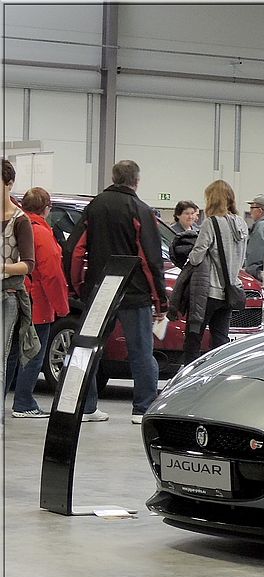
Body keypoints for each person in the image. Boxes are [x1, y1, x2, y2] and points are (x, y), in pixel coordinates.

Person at [71, 159, 168, 424]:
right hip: (134, 293)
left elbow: (75, 251)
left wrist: (81, 287)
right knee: (141, 352)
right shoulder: (141, 210)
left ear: (114, 178)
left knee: (89, 349)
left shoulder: (94, 207)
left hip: (100, 291)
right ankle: (142, 408)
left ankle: (87, 407)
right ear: (136, 180)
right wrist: (160, 302)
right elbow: (151, 260)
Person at [9, 188, 70, 418]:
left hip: (14, 298)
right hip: (36, 305)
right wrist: (62, 307)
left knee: (11, 355)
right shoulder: (41, 234)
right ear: (46, 209)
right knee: (33, 353)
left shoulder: (15, 226)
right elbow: (52, 275)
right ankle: (24, 402)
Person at [178, 180, 248, 364]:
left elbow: (196, 257)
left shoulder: (211, 223)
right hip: (231, 291)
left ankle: (190, 375)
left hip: (209, 292)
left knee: (194, 337)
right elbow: (242, 258)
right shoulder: (242, 224)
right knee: (220, 340)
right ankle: (217, 374)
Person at [2, 159, 38, 404]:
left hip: (8, 295)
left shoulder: (20, 220)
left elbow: (28, 264)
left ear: (10, 184)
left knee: (3, 358)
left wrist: (3, 267)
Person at [243, 194, 264, 280]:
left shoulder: (261, 226)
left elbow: (256, 253)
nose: (250, 211)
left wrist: (252, 270)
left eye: (252, 208)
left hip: (258, 274)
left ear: (260, 210)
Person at [168, 200, 200, 268]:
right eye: (187, 213)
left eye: (192, 213)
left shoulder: (199, 231)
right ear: (178, 215)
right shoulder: (170, 231)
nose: (190, 217)